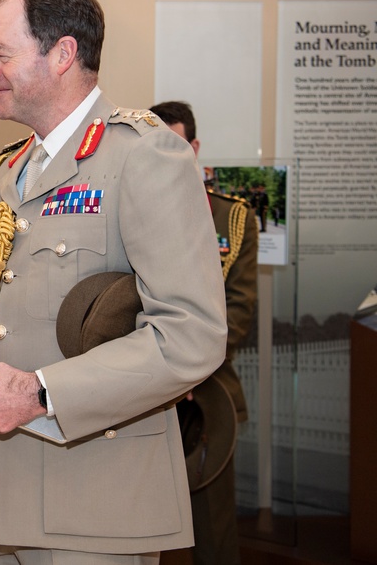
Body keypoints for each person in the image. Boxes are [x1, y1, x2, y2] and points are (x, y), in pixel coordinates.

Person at [0, 0, 228, 563]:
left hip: (97, 505)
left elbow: (191, 335)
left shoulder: (145, 156)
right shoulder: (6, 172)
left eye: (1, 53)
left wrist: (41, 393)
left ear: (62, 53)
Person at [152, 100, 258, 565]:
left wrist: (189, 372)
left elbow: (237, 309)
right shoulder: (134, 209)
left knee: (212, 530)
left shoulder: (232, 219)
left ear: (194, 148)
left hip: (208, 396)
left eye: (177, 148)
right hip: (142, 394)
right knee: (151, 529)